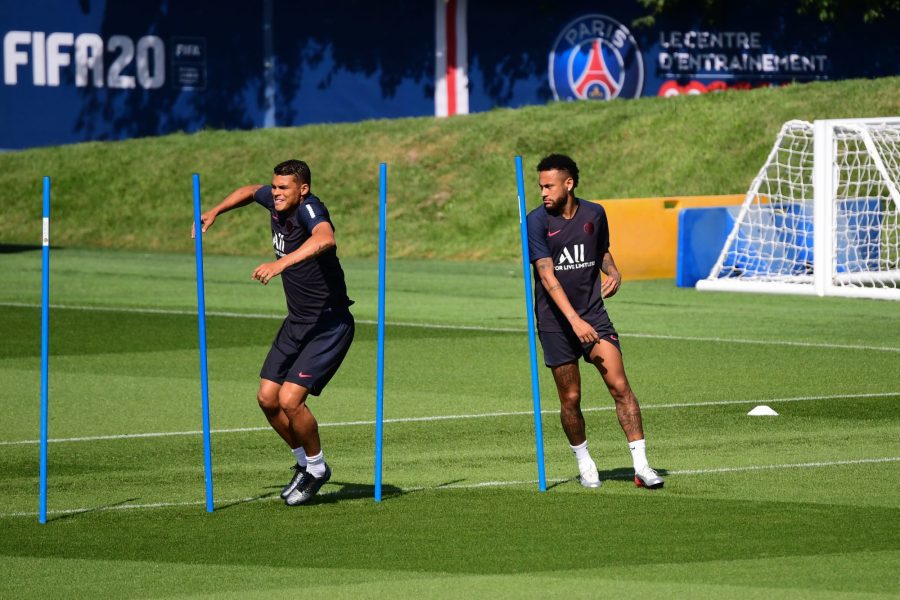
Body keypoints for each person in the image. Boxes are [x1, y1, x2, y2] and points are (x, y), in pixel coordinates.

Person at [193, 159, 355, 506]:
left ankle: (317, 467)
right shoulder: (274, 198)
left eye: (284, 188)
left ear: (303, 189)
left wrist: (280, 263)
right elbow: (250, 192)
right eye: (276, 187)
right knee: (267, 398)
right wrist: (216, 211)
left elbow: (326, 239)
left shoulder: (310, 209)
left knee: (289, 400)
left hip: (329, 324)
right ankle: (302, 464)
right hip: (297, 320)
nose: (276, 193)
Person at [526, 154, 663, 490]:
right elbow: (547, 276)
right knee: (570, 398)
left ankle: (642, 467)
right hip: (556, 323)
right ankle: (585, 462)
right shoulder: (535, 221)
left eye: (549, 185)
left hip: (593, 315)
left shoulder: (594, 213)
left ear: (568, 184)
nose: (543, 192)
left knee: (620, 387)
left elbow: (601, 252)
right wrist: (574, 322)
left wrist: (614, 272)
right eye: (540, 186)